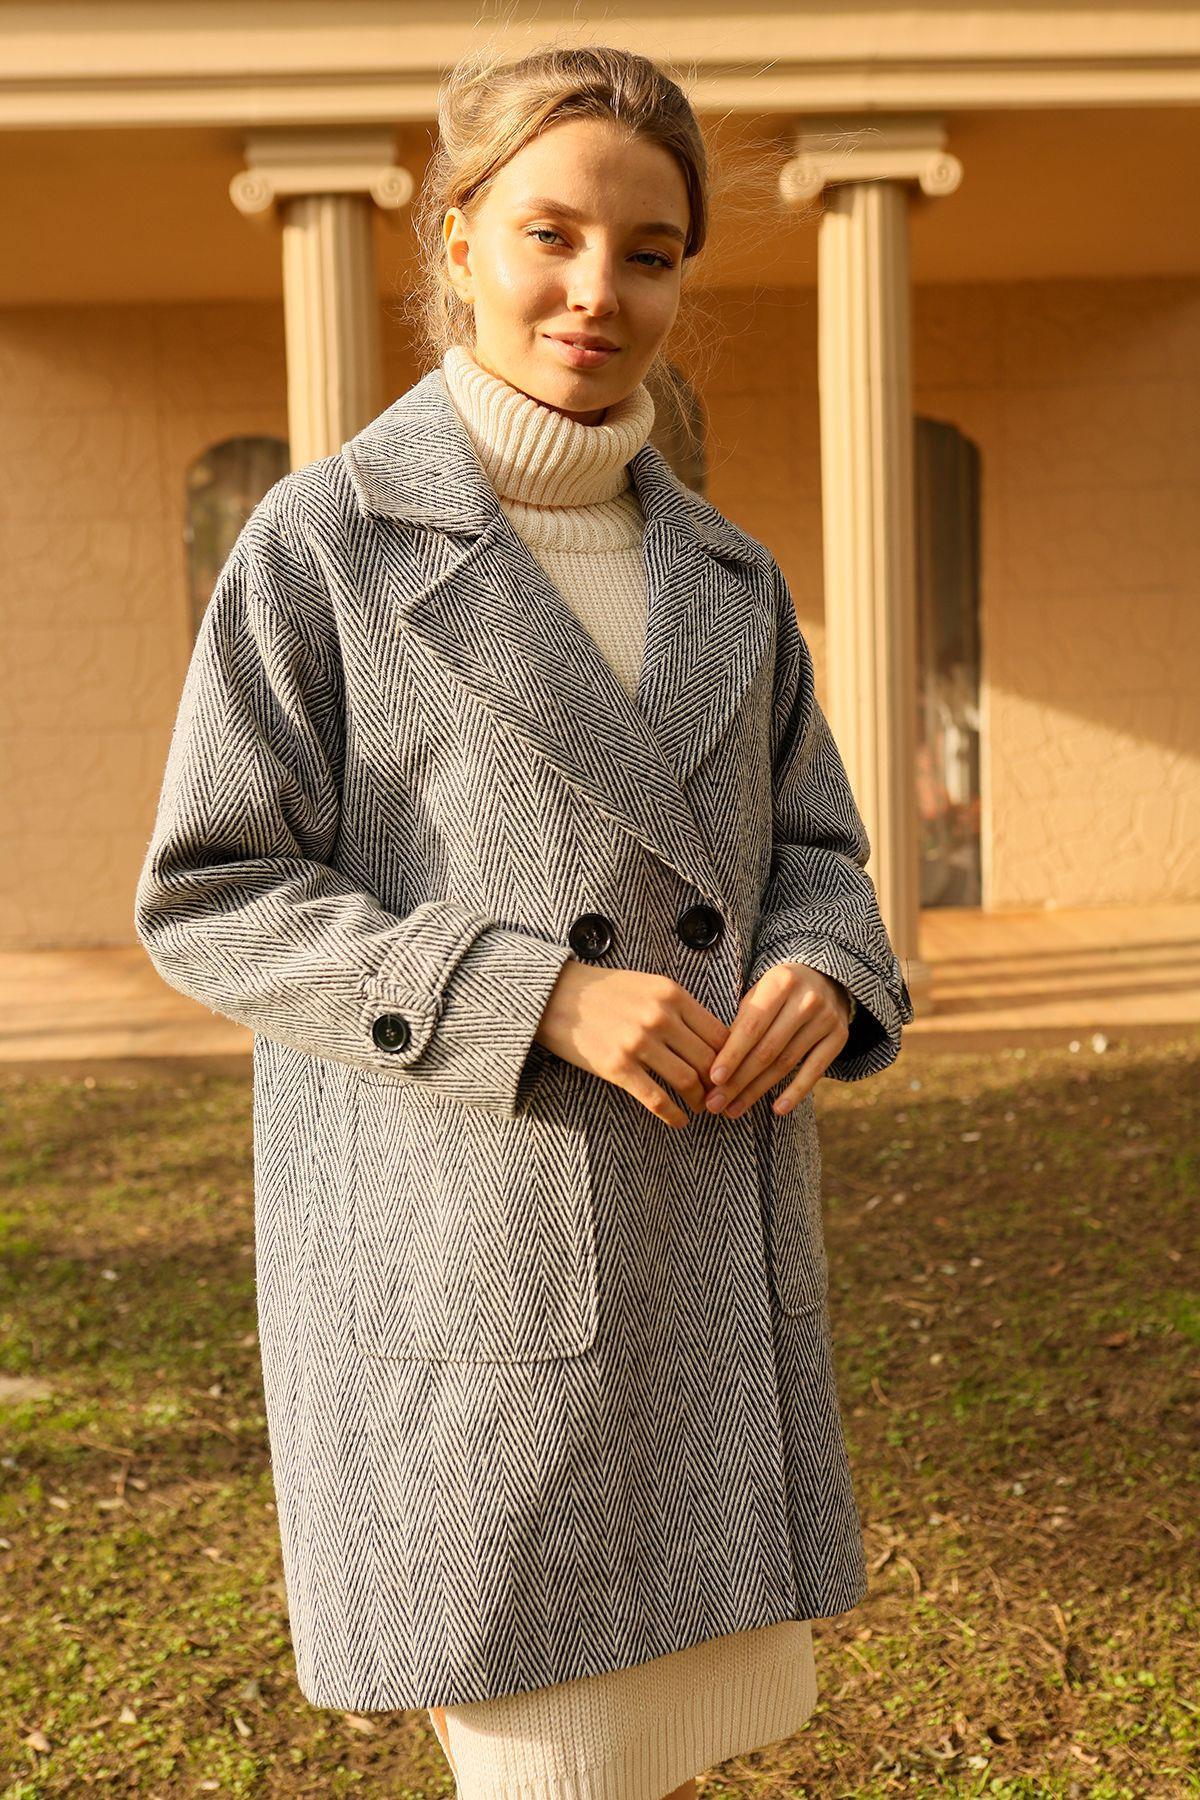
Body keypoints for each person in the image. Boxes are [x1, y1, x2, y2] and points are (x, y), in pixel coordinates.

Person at [134, 40, 913, 1800]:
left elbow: (816, 848)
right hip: (473, 1279)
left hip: (713, 1271)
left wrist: (824, 963)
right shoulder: (325, 547)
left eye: (651, 252)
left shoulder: (730, 575)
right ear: (460, 237)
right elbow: (211, 895)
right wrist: (532, 995)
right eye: (552, 234)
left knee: (686, 1752)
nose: (596, 291)